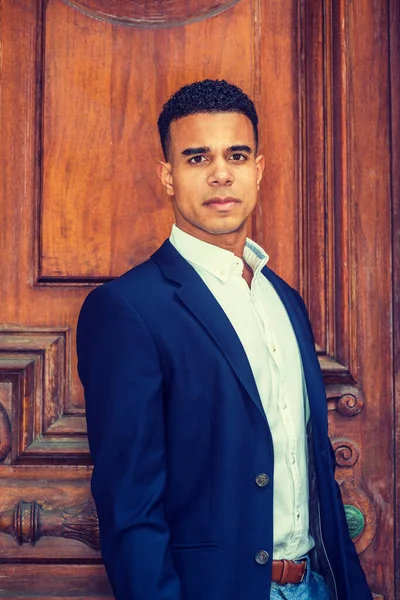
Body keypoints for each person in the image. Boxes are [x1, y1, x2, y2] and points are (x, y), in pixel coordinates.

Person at [77, 79, 372, 600]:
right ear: (167, 176)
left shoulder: (284, 300)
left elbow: (315, 471)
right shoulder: (128, 309)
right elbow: (130, 507)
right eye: (197, 158)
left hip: (317, 586)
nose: (220, 174)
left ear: (258, 170)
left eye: (236, 155)